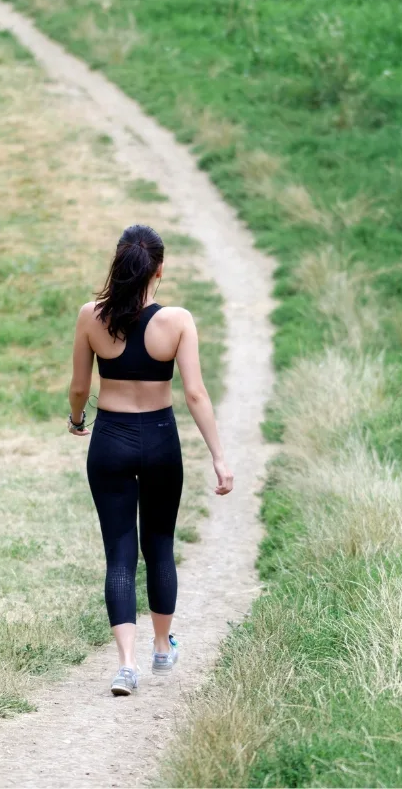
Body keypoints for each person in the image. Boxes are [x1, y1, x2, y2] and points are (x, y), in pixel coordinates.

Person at [66, 224, 234, 696]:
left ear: (118, 264)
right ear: (159, 269)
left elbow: (80, 387)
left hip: (111, 440)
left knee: (119, 554)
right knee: (158, 544)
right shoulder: (177, 321)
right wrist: (220, 458)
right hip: (160, 439)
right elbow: (196, 394)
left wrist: (78, 418)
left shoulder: (90, 316)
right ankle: (162, 648)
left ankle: (125, 665)